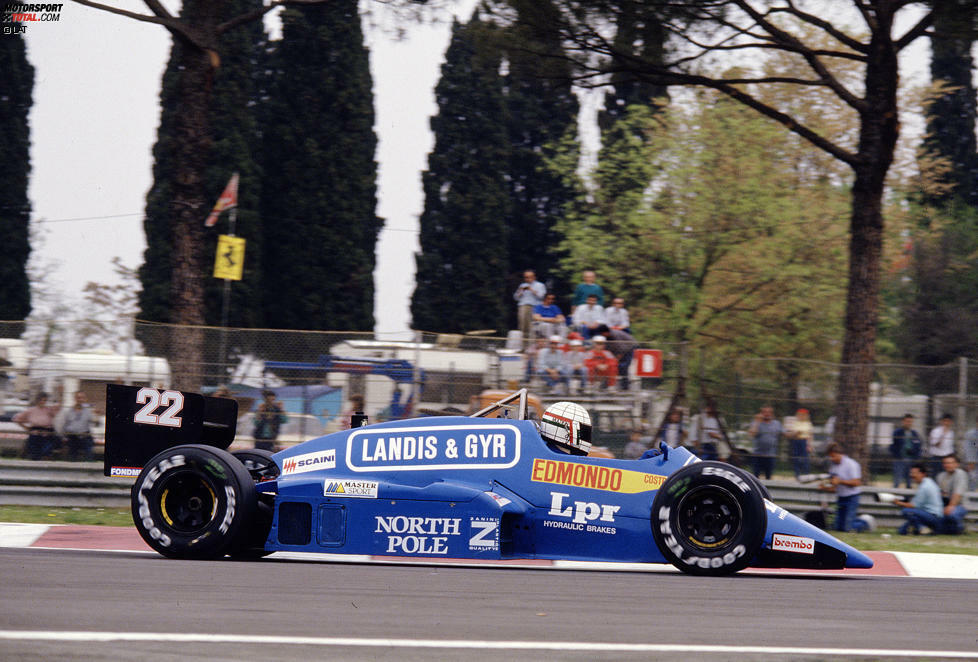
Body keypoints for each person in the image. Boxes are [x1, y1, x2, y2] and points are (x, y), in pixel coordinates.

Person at [818, 442, 862, 532]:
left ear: (840, 453)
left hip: (852, 497)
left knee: (847, 528)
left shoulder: (851, 464)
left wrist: (840, 481)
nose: (831, 459)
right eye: (830, 456)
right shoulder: (833, 467)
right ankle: (852, 522)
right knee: (838, 527)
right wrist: (825, 487)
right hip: (841, 497)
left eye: (833, 456)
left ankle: (865, 523)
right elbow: (834, 486)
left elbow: (857, 482)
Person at [893, 463, 944, 535]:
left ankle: (922, 528)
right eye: (911, 473)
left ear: (923, 474)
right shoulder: (929, 482)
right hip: (928, 515)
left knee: (906, 511)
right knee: (902, 531)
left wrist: (898, 502)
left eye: (914, 473)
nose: (912, 475)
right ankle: (926, 530)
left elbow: (913, 506)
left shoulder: (925, 487)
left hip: (933, 516)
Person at [13, 392, 61, 461]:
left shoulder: (49, 410)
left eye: (44, 400)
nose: (42, 402)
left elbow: (58, 410)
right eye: (41, 400)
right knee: (35, 455)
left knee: (46, 453)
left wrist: (60, 395)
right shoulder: (31, 410)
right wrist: (26, 428)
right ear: (37, 400)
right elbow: (17, 419)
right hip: (35, 435)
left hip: (47, 435)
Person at [595, 324, 638, 391]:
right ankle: (606, 385)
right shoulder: (607, 337)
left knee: (623, 367)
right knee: (611, 367)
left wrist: (615, 360)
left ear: (605, 332)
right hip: (618, 351)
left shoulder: (615, 335)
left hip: (629, 348)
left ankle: (625, 387)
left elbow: (621, 350)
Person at [935, 454, 969, 534]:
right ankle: (951, 530)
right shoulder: (940, 476)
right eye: (945, 463)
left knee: (951, 514)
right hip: (944, 505)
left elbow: (958, 493)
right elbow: (939, 493)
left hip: (960, 505)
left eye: (950, 463)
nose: (948, 465)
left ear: (956, 464)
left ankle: (960, 528)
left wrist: (950, 506)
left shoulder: (960, 474)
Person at [56, 391, 95, 461]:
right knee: (71, 454)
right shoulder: (68, 411)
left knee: (89, 451)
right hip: (72, 437)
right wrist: (63, 437)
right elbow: (63, 425)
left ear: (85, 399)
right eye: (78, 398)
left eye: (82, 398)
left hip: (84, 436)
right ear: (75, 399)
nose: (80, 400)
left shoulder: (89, 411)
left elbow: (95, 422)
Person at [513, 270, 546, 348]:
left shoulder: (540, 285)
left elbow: (541, 296)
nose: (527, 279)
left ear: (534, 277)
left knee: (533, 327)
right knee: (523, 327)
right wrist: (521, 291)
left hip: (535, 307)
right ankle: (524, 347)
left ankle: (533, 347)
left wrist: (531, 289)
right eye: (526, 277)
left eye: (529, 277)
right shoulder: (522, 285)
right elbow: (515, 298)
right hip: (523, 306)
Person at [890, 413, 923, 488]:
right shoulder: (897, 432)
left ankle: (907, 498)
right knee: (897, 480)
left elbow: (918, 445)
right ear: (903, 421)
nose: (909, 423)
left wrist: (916, 456)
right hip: (899, 460)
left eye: (911, 422)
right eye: (907, 421)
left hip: (910, 460)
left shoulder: (914, 434)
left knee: (909, 480)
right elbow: (895, 444)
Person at [749, 405, 782, 479]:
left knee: (769, 477)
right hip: (757, 455)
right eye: (764, 412)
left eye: (769, 412)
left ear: (772, 413)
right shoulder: (755, 422)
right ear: (761, 413)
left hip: (770, 455)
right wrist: (757, 422)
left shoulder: (777, 423)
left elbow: (785, 433)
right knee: (755, 477)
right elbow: (752, 434)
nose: (767, 414)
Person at [786, 408, 814, 479]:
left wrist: (809, 445)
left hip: (804, 441)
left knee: (805, 458)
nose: (802, 416)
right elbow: (790, 433)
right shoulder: (794, 423)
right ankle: (797, 473)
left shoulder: (808, 423)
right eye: (800, 415)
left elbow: (810, 435)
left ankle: (806, 473)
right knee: (796, 458)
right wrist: (795, 433)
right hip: (796, 441)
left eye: (803, 415)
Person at [962, 415, 978, 489]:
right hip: (974, 464)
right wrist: (971, 461)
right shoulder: (971, 435)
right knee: (973, 481)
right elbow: (969, 448)